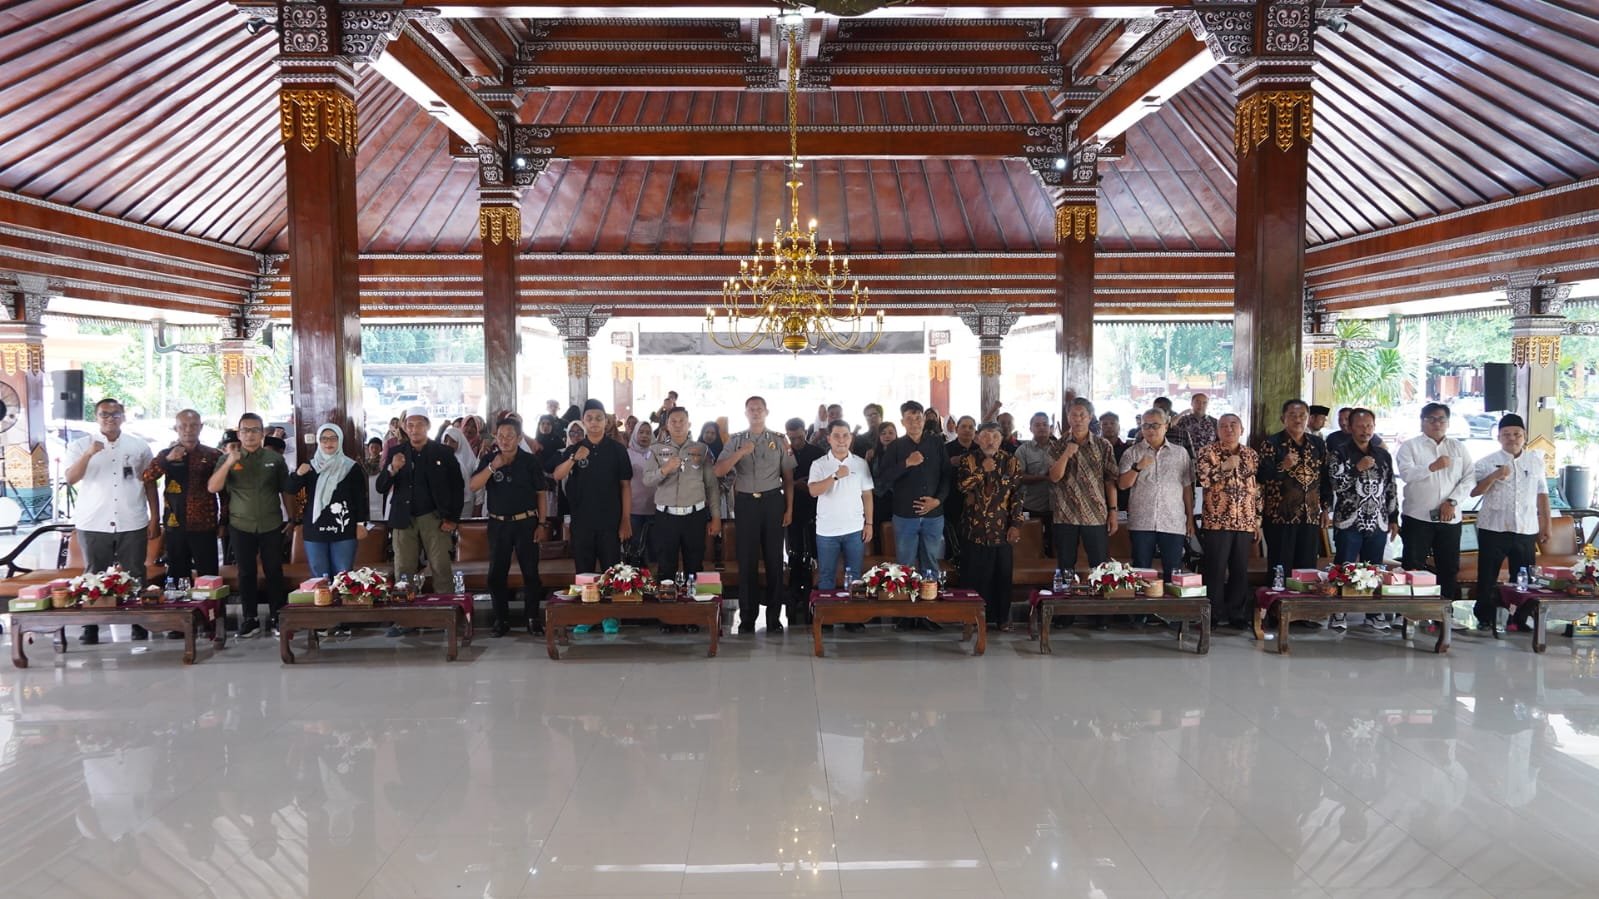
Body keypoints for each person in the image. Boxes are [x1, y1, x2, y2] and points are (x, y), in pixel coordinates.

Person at [66, 398, 159, 644]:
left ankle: (139, 623)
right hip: (94, 522)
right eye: (104, 414)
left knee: (136, 574)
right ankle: (91, 626)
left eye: (115, 414)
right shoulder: (80, 445)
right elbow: (70, 478)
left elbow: (149, 482)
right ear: (96, 417)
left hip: (132, 519)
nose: (110, 418)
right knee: (93, 574)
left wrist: (155, 517)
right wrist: (88, 454)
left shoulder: (138, 446)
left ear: (123, 416)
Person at [207, 413, 294, 638]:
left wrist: (293, 519)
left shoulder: (274, 459)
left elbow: (286, 490)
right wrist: (229, 462)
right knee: (246, 573)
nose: (250, 435)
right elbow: (213, 487)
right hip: (240, 525)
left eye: (255, 430)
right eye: (245, 430)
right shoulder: (229, 458)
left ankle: (277, 616)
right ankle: (250, 618)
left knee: (274, 571)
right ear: (239, 433)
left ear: (262, 433)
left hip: (271, 523)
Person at [714, 396, 795, 633]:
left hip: (772, 502)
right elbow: (719, 470)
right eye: (752, 409)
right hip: (746, 503)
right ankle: (747, 617)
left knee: (774, 561)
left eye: (760, 409)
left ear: (767, 412)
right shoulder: (736, 440)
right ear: (746, 413)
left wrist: (789, 509)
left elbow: (788, 478)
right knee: (747, 561)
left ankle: (773, 618)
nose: (756, 412)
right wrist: (740, 453)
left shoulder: (779, 440)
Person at [1471, 413, 1552, 632]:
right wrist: (1494, 476)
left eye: (1517, 434)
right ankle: (1485, 617)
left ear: (1524, 436)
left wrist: (1546, 524)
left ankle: (1518, 618)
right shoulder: (1486, 462)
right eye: (1506, 434)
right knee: (1487, 575)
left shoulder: (1535, 461)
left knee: (1523, 578)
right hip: (1493, 528)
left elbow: (1542, 494)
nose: (1512, 438)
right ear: (1498, 438)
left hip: (1525, 528)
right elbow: (1473, 491)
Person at [470, 417, 549, 638]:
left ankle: (532, 618)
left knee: (530, 573)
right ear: (495, 436)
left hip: (526, 523)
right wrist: (492, 466)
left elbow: (541, 495)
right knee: (496, 574)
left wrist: (542, 524)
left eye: (510, 436)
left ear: (519, 438)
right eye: (501, 436)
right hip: (498, 524)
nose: (505, 440)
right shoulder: (489, 459)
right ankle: (500, 619)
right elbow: (473, 485)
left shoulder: (530, 461)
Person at [374, 411, 464, 600]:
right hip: (403, 519)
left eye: (419, 424)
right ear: (405, 428)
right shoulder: (396, 452)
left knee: (440, 567)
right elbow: (381, 487)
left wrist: (453, 518)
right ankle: (405, 619)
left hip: (435, 518)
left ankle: (445, 614)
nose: (415, 429)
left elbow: (457, 487)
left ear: (428, 426)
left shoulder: (443, 452)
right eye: (410, 425)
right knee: (404, 570)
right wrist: (393, 469)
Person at [1395, 403, 1475, 608]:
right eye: (1431, 419)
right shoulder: (1410, 446)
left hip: (1450, 517)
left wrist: (1452, 502)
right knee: (1413, 566)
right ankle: (1410, 613)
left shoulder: (1458, 447)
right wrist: (1432, 467)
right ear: (1422, 421)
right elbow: (1407, 474)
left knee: (1448, 567)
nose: (1436, 423)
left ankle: (1444, 613)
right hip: (1417, 517)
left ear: (1447, 423)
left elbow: (1469, 479)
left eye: (1441, 419)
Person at [1327, 407, 1399, 632]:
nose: (1365, 430)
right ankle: (1339, 612)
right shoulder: (1339, 452)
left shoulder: (1383, 455)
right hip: (1349, 519)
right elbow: (1335, 483)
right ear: (1350, 427)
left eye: (1369, 426)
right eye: (1360, 425)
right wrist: (1357, 469)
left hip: (1377, 519)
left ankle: (1373, 613)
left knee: (1374, 567)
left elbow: (1391, 488)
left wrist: (1394, 517)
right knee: (1345, 566)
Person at [552, 399, 633, 580]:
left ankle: (609, 610)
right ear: (584, 421)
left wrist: (626, 520)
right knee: (584, 577)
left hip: (610, 524)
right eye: (590, 418)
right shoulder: (574, 449)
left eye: (599, 418)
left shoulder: (618, 450)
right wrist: (574, 458)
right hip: (582, 524)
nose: (594, 422)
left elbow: (625, 486)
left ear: (606, 421)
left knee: (612, 577)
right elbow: (557, 475)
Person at [1194, 414, 1262, 629]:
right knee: (1214, 569)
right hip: (1217, 521)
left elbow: (1256, 489)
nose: (1228, 429)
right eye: (1223, 426)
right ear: (1217, 430)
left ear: (1242, 429)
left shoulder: (1251, 454)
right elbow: (1203, 479)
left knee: (1240, 570)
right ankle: (1212, 614)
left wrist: (1257, 520)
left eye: (1233, 425)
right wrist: (1224, 467)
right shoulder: (1207, 452)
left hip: (1244, 521)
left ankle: (1237, 614)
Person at [144, 408, 224, 584]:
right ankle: (181, 611)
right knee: (177, 575)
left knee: (209, 576)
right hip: (175, 525)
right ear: (176, 428)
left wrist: (223, 521)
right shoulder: (166, 454)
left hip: (205, 524)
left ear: (201, 427)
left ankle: (213, 611)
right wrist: (168, 460)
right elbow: (147, 477)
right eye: (183, 426)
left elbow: (225, 492)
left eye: (194, 425)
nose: (188, 429)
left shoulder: (213, 455)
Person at [956, 422, 1024, 629]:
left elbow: (1018, 495)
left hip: (1001, 530)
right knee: (975, 576)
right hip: (973, 529)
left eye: (995, 436)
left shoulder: (1011, 461)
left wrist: (1017, 524)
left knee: (1002, 577)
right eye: (986, 436)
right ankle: (973, 619)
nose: (990, 440)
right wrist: (981, 472)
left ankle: (1002, 618)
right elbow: (961, 486)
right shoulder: (968, 460)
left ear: (1001, 439)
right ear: (977, 438)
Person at [644, 406, 722, 584]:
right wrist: (665, 469)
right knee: (665, 565)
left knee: (694, 565)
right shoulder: (656, 449)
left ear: (689, 424)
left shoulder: (702, 450)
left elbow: (711, 486)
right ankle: (667, 608)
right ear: (666, 426)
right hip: (666, 516)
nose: (678, 425)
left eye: (682, 421)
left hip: (695, 516)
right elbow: (647, 480)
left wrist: (716, 517)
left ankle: (695, 607)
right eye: (673, 422)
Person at [1258, 399, 1331, 586]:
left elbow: (1325, 477)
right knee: (1280, 567)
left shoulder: (1318, 444)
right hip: (1280, 516)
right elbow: (1261, 477)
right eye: (1292, 415)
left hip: (1310, 516)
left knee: (1306, 568)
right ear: (1283, 418)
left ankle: (1302, 612)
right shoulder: (1272, 443)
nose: (1298, 420)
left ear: (1308, 419)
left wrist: (1325, 508)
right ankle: (1277, 610)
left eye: (1302, 416)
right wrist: (1283, 466)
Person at [1047, 397, 1119, 584]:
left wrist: (1113, 512)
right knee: (1065, 565)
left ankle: (1101, 610)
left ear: (1090, 417)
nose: (1078, 419)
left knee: (1100, 566)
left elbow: (1110, 481)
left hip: (1095, 513)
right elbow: (1054, 477)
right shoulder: (1057, 445)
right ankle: (1065, 610)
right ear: (1068, 417)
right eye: (1073, 415)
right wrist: (1066, 454)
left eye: (1082, 415)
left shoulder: (1103, 446)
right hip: (1065, 514)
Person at [877, 400, 952, 578]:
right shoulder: (895, 447)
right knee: (905, 565)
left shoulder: (936, 443)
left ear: (924, 419)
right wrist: (906, 463)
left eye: (918, 418)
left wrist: (938, 500)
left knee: (931, 562)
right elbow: (883, 479)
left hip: (934, 515)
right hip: (905, 515)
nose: (914, 422)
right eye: (909, 419)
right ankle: (907, 602)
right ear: (902, 422)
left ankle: (930, 600)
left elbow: (947, 476)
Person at [286, 423, 369, 580]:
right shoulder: (310, 467)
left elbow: (360, 498)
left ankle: (342, 605)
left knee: (343, 576)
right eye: (324, 439)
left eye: (333, 438)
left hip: (344, 529)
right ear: (319, 441)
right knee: (319, 577)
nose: (328, 443)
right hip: (315, 529)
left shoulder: (351, 467)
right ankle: (322, 604)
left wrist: (360, 524)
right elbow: (290, 489)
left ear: (340, 440)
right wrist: (298, 474)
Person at [1119, 408, 1195, 581]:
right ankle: (1142, 608)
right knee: (1141, 571)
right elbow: (1123, 485)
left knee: (1173, 571)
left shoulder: (1180, 453)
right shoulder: (1132, 453)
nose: (1150, 430)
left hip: (1173, 521)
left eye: (1155, 425)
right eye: (1145, 425)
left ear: (1166, 426)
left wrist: (1190, 517)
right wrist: (1137, 467)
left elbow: (1187, 487)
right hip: (1141, 522)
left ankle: (1170, 608)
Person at [808, 420, 874, 605]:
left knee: (855, 575)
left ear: (851, 438)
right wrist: (835, 476)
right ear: (829, 439)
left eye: (845, 435)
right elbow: (814, 491)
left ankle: (852, 619)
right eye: (836, 435)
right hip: (827, 531)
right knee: (826, 576)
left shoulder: (860, 463)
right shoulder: (819, 464)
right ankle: (827, 617)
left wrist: (869, 523)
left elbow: (867, 495)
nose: (841, 440)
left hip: (854, 529)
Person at [786, 416, 826, 624]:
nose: (796, 441)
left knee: (814, 554)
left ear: (805, 433)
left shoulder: (817, 453)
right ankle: (794, 596)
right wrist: (793, 484)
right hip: (792, 509)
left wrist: (807, 484)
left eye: (800, 437)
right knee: (795, 553)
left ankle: (813, 595)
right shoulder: (785, 452)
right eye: (792, 438)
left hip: (815, 509)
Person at [1015, 412, 1055, 554]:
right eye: (1037, 425)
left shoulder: (1059, 448)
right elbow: (1019, 477)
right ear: (1031, 428)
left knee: (1055, 548)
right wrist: (1044, 478)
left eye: (1045, 424)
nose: (1042, 428)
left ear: (1050, 428)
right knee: (1032, 548)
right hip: (1031, 506)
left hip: (1057, 507)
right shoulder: (1023, 450)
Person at [625, 421, 657, 565]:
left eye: (648, 432)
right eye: (641, 432)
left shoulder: (657, 454)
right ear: (635, 434)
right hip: (634, 509)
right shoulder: (627, 454)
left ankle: (652, 584)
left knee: (653, 551)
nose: (644, 436)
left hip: (655, 508)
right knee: (635, 549)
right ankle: (634, 583)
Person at [441, 425, 481, 518]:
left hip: (465, 505)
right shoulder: (439, 459)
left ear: (460, 443)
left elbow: (479, 489)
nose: (448, 444)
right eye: (445, 441)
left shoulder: (470, 461)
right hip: (444, 506)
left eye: (453, 441)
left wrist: (477, 508)